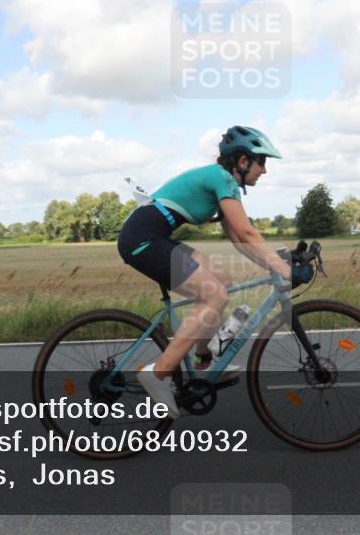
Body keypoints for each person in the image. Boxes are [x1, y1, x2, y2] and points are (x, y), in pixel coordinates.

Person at [117, 126, 312, 418]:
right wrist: (285, 270)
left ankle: (204, 361)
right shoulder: (222, 179)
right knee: (214, 295)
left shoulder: (223, 182)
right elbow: (247, 232)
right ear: (243, 161)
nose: (265, 171)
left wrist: (280, 264)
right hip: (143, 240)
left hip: (153, 236)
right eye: (262, 163)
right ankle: (157, 374)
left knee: (221, 279)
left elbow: (239, 241)